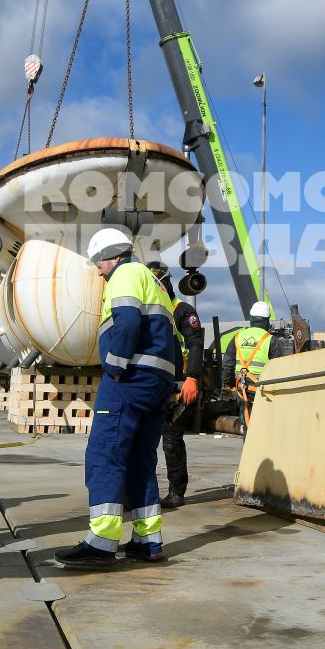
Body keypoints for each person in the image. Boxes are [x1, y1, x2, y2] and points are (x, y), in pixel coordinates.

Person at [57, 228, 181, 569]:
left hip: (130, 378)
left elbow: (125, 322)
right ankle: (147, 540)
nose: (98, 270)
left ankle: (101, 543)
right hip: (157, 381)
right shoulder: (154, 283)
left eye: (99, 263)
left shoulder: (125, 274)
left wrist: (114, 365)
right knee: (142, 460)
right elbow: (172, 336)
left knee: (105, 454)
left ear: (111, 257)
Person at [146, 261, 203, 510]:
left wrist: (192, 377)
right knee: (144, 439)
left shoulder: (182, 310)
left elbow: (195, 344)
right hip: (152, 383)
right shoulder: (148, 310)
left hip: (177, 386)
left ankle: (176, 491)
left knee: (171, 440)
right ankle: (139, 492)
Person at [223, 301, 276, 433]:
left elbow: (227, 364)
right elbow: (279, 368)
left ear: (251, 319)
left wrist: (227, 386)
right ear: (266, 321)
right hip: (263, 391)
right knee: (264, 426)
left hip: (242, 390)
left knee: (247, 422)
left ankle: (248, 449)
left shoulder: (237, 337)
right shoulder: (270, 340)